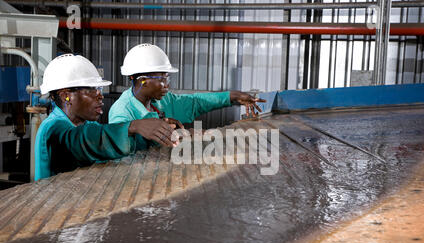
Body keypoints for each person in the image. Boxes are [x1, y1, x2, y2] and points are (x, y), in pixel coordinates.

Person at [35, 54, 182, 180]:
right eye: (91, 89)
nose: (100, 95)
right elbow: (86, 140)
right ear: (66, 96)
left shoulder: (86, 124)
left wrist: (154, 130)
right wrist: (134, 126)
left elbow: (110, 146)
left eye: (99, 89)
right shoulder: (53, 128)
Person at [108, 43, 265, 149]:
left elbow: (195, 102)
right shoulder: (121, 112)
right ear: (143, 81)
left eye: (167, 77)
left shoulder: (163, 101)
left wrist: (232, 96)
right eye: (162, 78)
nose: (167, 84)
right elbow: (121, 149)